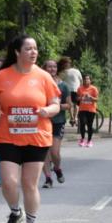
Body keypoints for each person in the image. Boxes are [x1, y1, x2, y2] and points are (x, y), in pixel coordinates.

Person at [0, 37, 60, 223]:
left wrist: (47, 110)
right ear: (17, 52)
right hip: (8, 136)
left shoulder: (43, 76)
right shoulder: (3, 75)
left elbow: (56, 103)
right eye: (28, 48)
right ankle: (15, 212)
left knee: (29, 184)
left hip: (36, 136)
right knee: (9, 182)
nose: (33, 52)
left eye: (35, 48)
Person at [43, 59, 71, 187]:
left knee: (54, 152)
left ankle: (57, 168)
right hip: (43, 122)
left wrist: (56, 106)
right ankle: (48, 178)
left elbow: (69, 105)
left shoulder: (63, 85)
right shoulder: (40, 84)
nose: (52, 69)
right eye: (49, 67)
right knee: (44, 152)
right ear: (44, 69)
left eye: (54, 67)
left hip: (58, 122)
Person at [76, 74, 99, 147]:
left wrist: (90, 97)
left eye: (88, 79)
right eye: (85, 79)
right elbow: (77, 98)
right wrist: (81, 98)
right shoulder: (80, 88)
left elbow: (97, 99)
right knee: (82, 123)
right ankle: (82, 139)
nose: (86, 80)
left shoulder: (94, 89)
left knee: (89, 125)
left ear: (90, 80)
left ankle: (89, 141)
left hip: (91, 110)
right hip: (82, 109)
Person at [59, 56, 82, 126]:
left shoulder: (64, 72)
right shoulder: (77, 71)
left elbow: (60, 80)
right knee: (77, 104)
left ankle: (72, 118)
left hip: (68, 90)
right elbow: (81, 80)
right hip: (77, 89)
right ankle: (76, 118)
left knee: (70, 104)